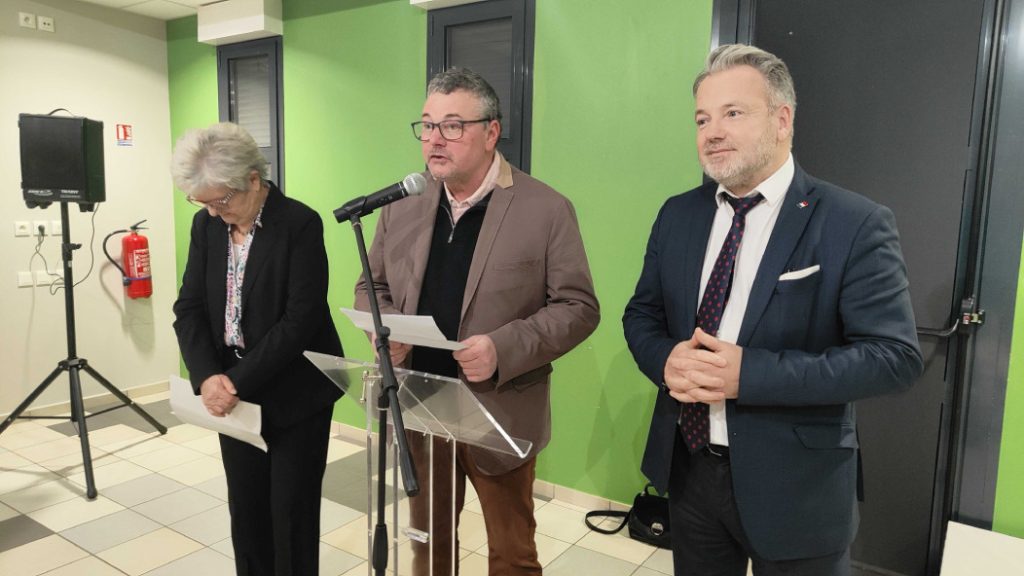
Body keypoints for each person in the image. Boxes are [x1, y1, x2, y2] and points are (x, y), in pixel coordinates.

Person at [622, 45, 924, 576]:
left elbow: (893, 357)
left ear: (782, 120)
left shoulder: (853, 222)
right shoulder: (678, 215)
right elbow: (640, 316)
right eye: (702, 118)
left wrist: (750, 374)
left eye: (733, 113)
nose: (712, 132)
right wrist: (665, 360)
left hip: (798, 487)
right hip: (690, 471)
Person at [355, 67, 600, 576]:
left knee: (512, 555)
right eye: (426, 125)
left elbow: (578, 307)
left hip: (499, 413)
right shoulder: (401, 206)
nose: (433, 140)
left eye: (452, 126)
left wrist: (503, 347)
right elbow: (371, 286)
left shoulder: (546, 208)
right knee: (429, 546)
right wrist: (390, 333)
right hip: (421, 405)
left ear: (491, 132)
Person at [171, 122, 343, 576]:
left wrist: (234, 382)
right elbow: (188, 308)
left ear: (253, 179)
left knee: (291, 517)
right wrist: (208, 376)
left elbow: (299, 322)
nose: (212, 212)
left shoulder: (299, 224)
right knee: (246, 515)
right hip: (232, 393)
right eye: (203, 202)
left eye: (220, 201)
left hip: (294, 392)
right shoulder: (206, 228)